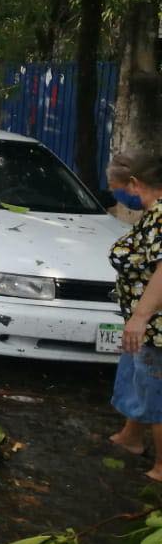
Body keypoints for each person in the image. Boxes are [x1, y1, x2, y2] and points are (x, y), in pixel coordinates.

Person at [105, 151, 162, 482]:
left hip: (154, 326)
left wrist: (140, 316)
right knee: (140, 379)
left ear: (136, 183)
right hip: (146, 323)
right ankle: (131, 437)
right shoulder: (152, 214)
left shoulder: (160, 215)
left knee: (155, 390)